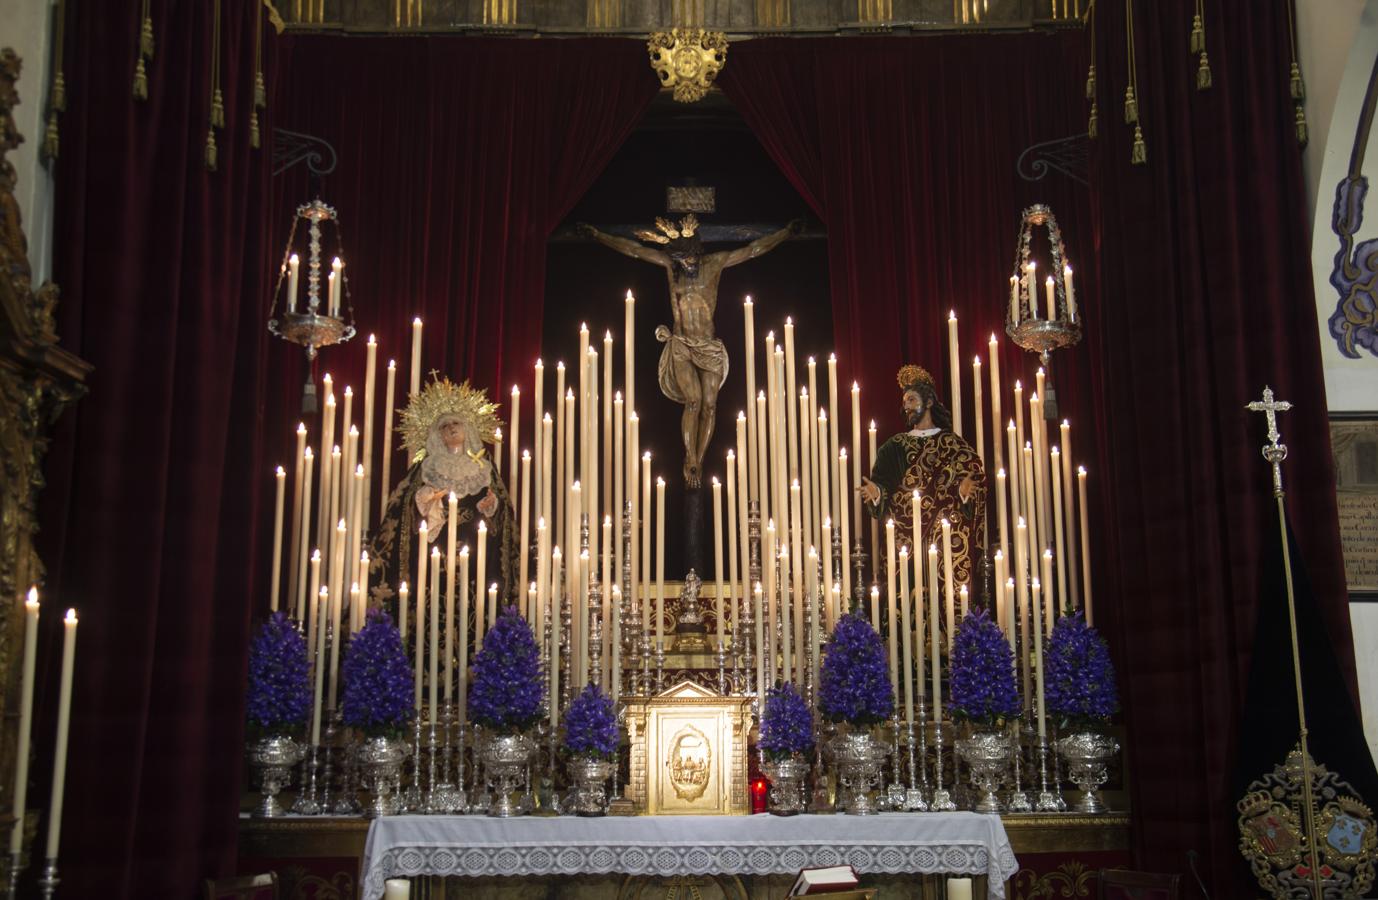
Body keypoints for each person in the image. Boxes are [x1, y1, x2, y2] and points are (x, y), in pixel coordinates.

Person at [579, 214, 800, 488]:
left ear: (698, 252)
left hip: (708, 346)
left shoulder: (714, 264)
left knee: (709, 405)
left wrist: (785, 233)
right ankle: (690, 456)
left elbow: (752, 249)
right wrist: (599, 235)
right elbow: (635, 250)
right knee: (693, 401)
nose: (687, 264)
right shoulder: (672, 268)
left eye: (691, 259)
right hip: (682, 344)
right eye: (682, 260)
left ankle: (701, 457)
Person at [368, 377, 518, 613]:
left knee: (474, 603)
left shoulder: (482, 467)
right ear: (438, 435)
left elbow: (504, 513)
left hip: (476, 549)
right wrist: (424, 500)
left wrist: (492, 505)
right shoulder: (427, 468)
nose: (451, 428)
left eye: (456, 423)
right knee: (432, 601)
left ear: (468, 428)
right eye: (444, 426)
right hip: (433, 552)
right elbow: (402, 509)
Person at [859, 364, 986, 592]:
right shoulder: (894, 447)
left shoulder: (953, 445)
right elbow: (882, 483)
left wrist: (963, 490)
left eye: (912, 400)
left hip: (946, 538)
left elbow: (973, 473)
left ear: (928, 402)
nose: (906, 406)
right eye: (905, 401)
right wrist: (877, 493)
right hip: (906, 539)